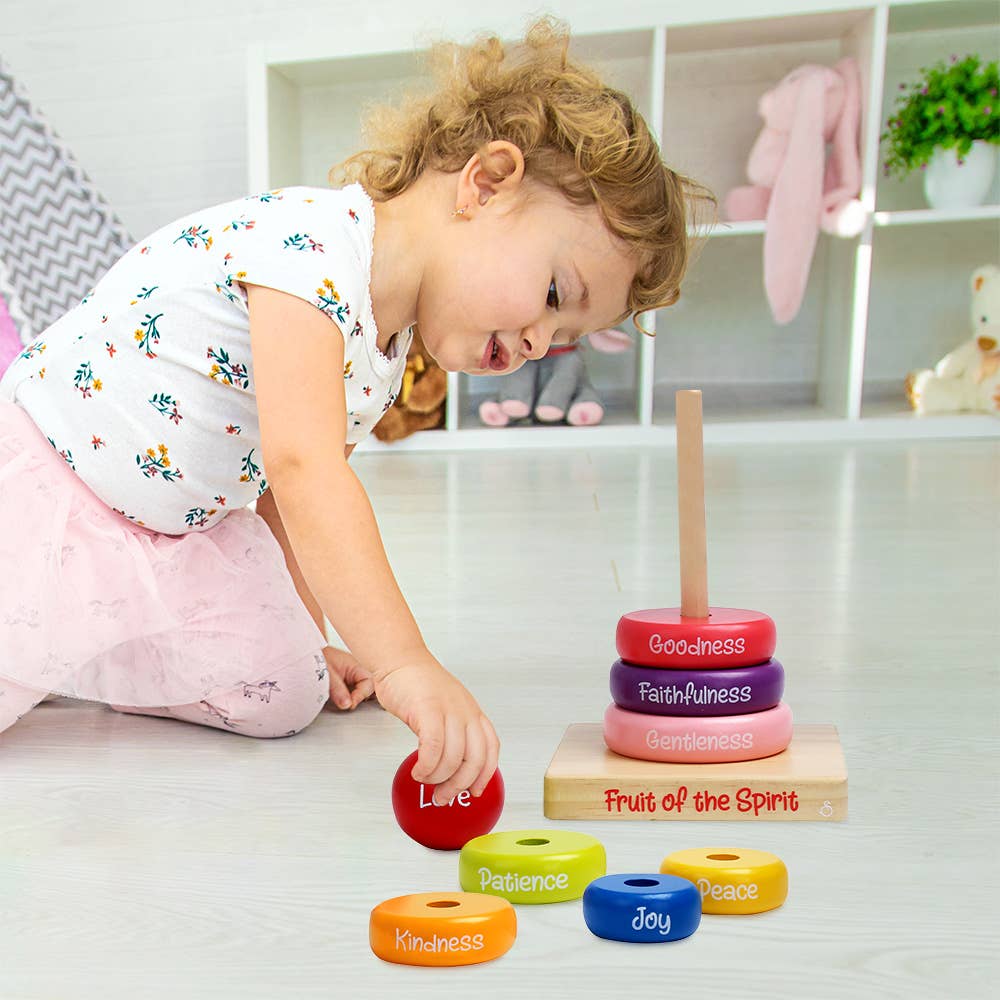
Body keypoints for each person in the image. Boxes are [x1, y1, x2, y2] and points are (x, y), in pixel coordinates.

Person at [0, 18, 710, 803]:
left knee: (286, 690)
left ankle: (92, 648)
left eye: (567, 336)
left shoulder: (383, 348)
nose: (543, 339)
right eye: (553, 295)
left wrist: (312, 637)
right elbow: (304, 473)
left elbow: (277, 494)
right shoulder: (310, 251)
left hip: (169, 530)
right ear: (485, 183)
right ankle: (63, 638)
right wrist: (407, 664)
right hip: (44, 492)